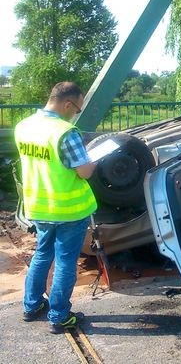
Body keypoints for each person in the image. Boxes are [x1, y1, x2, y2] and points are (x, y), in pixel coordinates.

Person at [14, 81, 97, 334]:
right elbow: (83, 171)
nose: (76, 114)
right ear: (68, 104)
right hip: (67, 210)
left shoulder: (23, 126)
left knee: (41, 255)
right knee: (64, 262)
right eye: (78, 109)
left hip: (38, 207)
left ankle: (32, 305)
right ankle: (60, 316)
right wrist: (93, 162)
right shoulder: (65, 131)